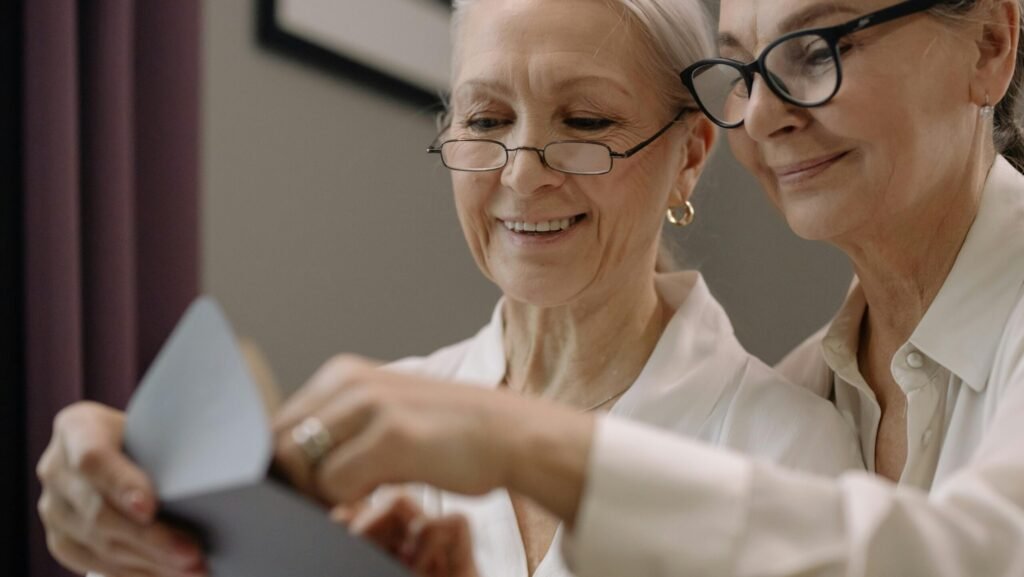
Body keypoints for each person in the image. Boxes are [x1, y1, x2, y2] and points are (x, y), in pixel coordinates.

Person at [33, 1, 865, 577]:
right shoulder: (365, 435)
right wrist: (129, 502)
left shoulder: (790, 454)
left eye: (586, 123)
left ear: (688, 153)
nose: (522, 173)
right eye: (486, 119)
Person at [275, 0, 1024, 575]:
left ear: (992, 43)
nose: (760, 114)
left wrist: (522, 442)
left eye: (819, 47)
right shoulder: (824, 383)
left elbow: (975, 551)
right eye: (747, 69)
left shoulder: (786, 431)